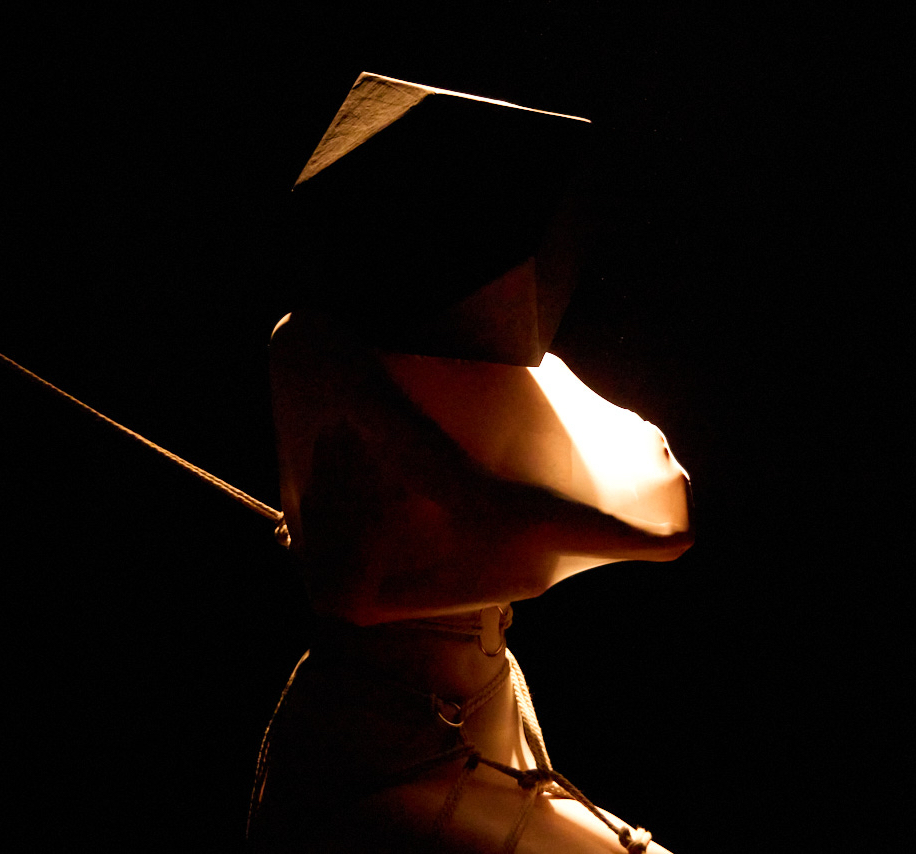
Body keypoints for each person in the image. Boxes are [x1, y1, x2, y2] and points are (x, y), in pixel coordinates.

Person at [247, 74, 694, 853]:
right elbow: (355, 593)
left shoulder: (518, 371)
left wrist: (506, 541)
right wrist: (511, 541)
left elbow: (667, 517)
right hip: (384, 746)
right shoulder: (320, 349)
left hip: (481, 717)